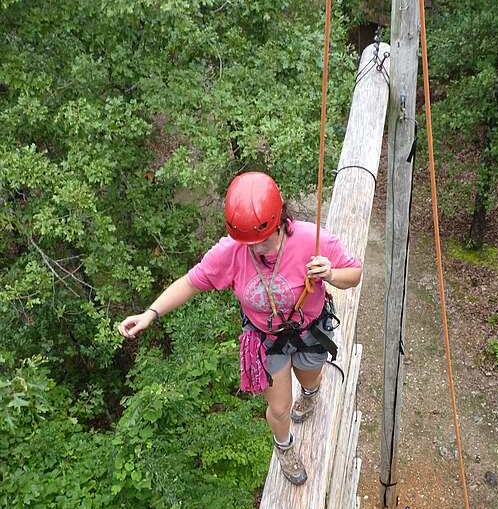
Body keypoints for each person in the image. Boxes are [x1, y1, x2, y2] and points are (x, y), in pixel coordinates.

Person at [118, 172, 362, 485]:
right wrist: (151, 313)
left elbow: (353, 274)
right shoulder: (231, 251)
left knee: (310, 377)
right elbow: (191, 282)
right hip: (267, 341)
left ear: (280, 217)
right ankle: (284, 447)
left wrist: (330, 273)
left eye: (264, 238)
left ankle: (312, 393)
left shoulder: (311, 240)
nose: (257, 247)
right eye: (249, 241)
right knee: (279, 407)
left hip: (310, 332)